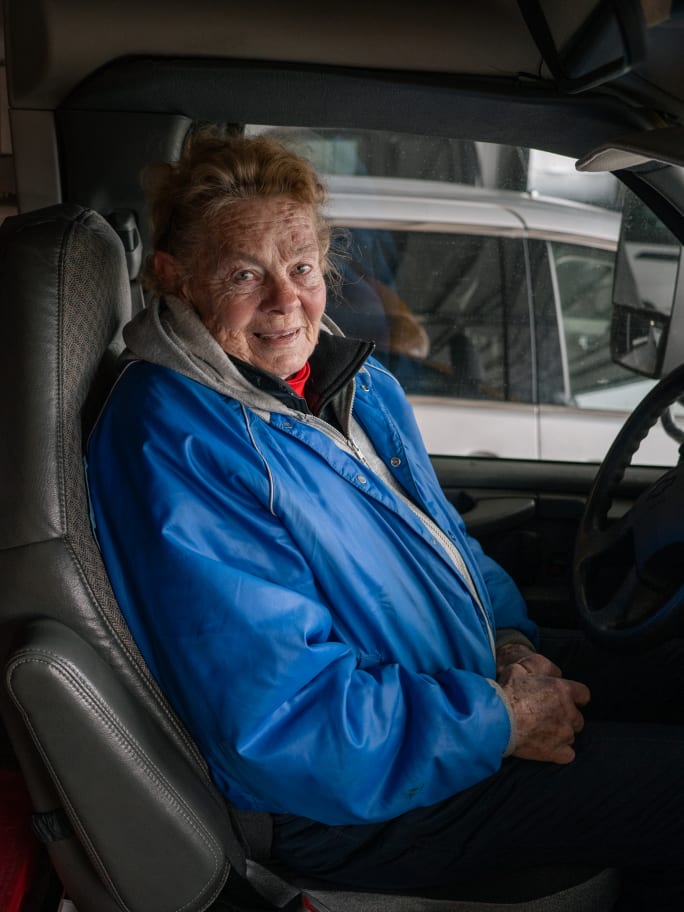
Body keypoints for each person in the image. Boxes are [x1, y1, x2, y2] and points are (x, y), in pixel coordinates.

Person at [86, 129, 684, 911]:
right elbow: (283, 720)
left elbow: (447, 546)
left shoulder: (352, 386)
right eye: (244, 274)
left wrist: (510, 642)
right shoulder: (175, 435)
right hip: (354, 798)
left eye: (302, 268)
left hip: (444, 696)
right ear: (176, 278)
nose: (285, 301)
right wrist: (500, 721)